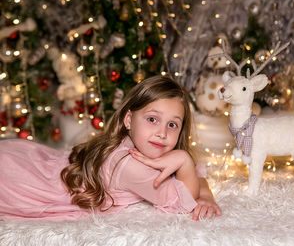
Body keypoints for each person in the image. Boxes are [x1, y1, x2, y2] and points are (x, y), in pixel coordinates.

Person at [0, 75, 221, 221]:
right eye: (152, 119)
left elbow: (197, 174)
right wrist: (183, 159)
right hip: (18, 181)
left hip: (29, 161)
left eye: (172, 124)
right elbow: (183, 200)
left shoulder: (133, 143)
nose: (162, 133)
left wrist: (207, 197)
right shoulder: (128, 165)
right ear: (128, 120)